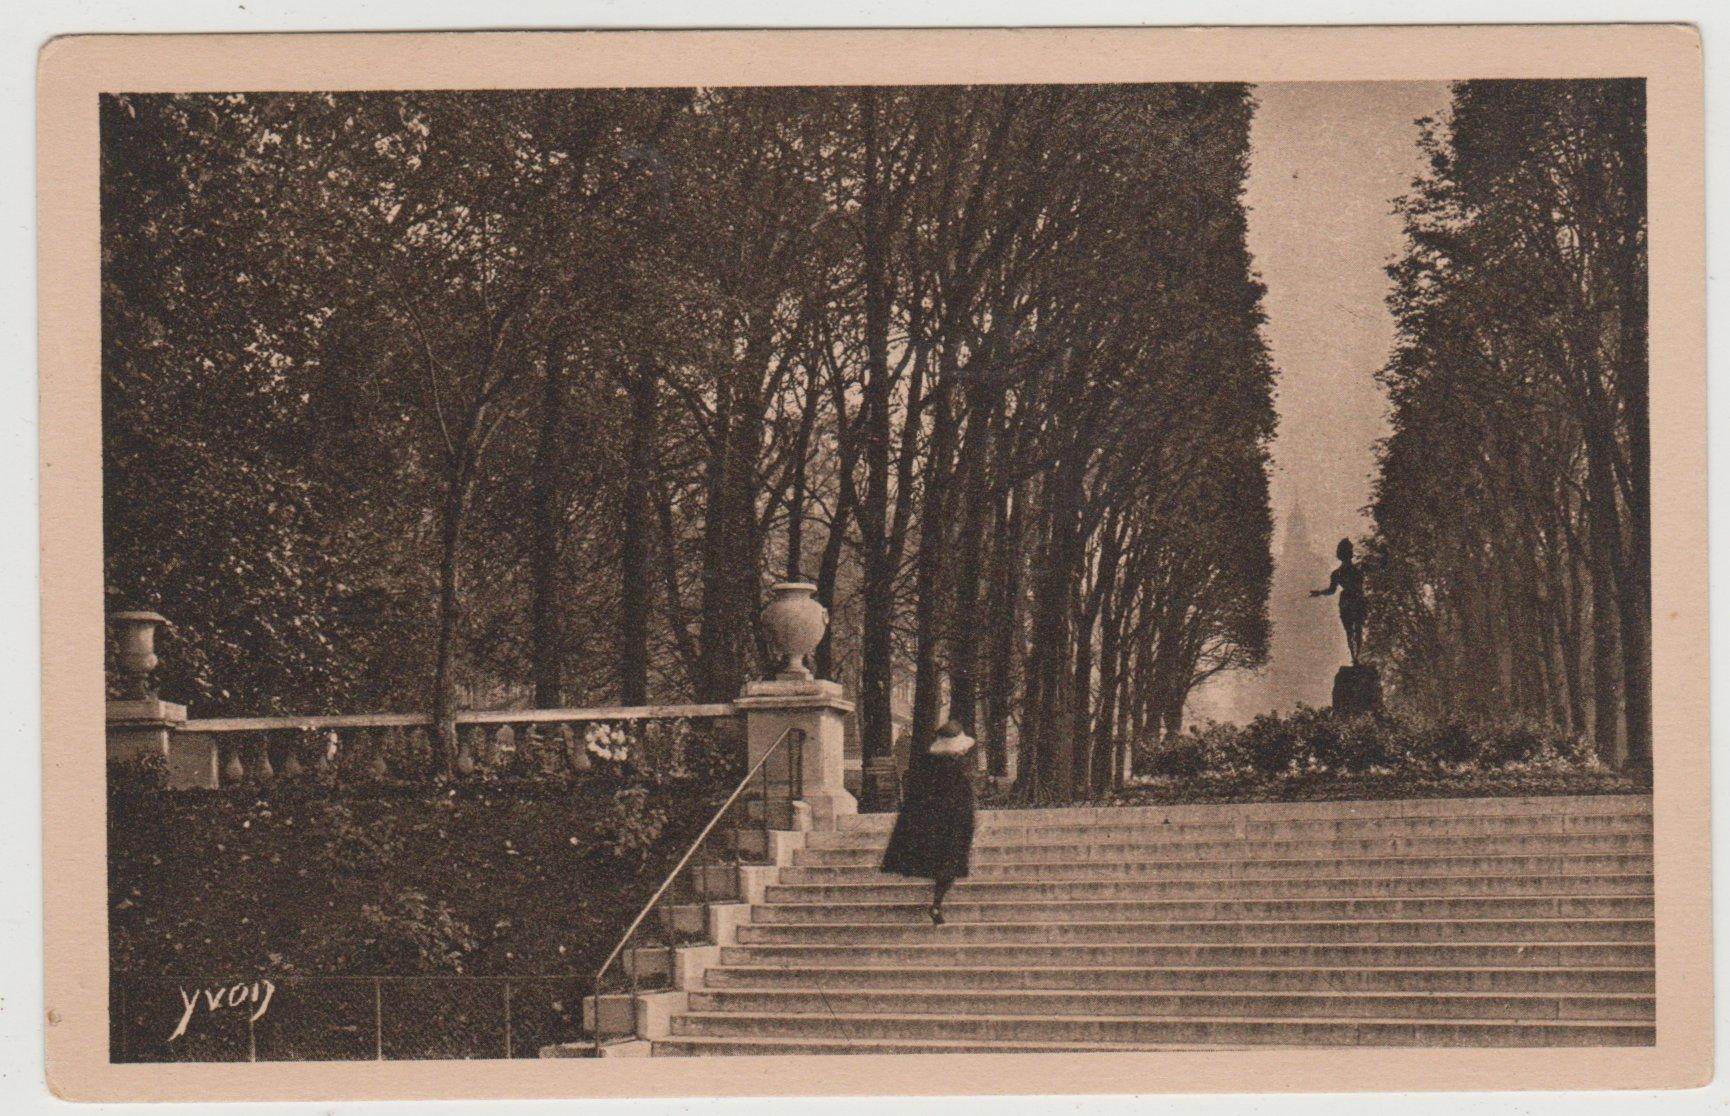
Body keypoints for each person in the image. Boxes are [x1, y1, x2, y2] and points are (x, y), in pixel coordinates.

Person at [879, 719, 977, 925]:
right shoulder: (954, 768)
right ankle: (936, 904)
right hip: (950, 826)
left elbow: (915, 794)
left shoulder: (927, 764)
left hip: (930, 824)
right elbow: (962, 799)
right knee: (950, 865)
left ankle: (936, 904)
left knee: (944, 865)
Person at [1311, 537, 1368, 666]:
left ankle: (1355, 657)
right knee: (1357, 629)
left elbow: (1331, 591)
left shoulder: (1337, 573)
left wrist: (1319, 593)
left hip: (1347, 600)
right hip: (1357, 599)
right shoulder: (1358, 570)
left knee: (1350, 631)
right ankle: (1356, 658)